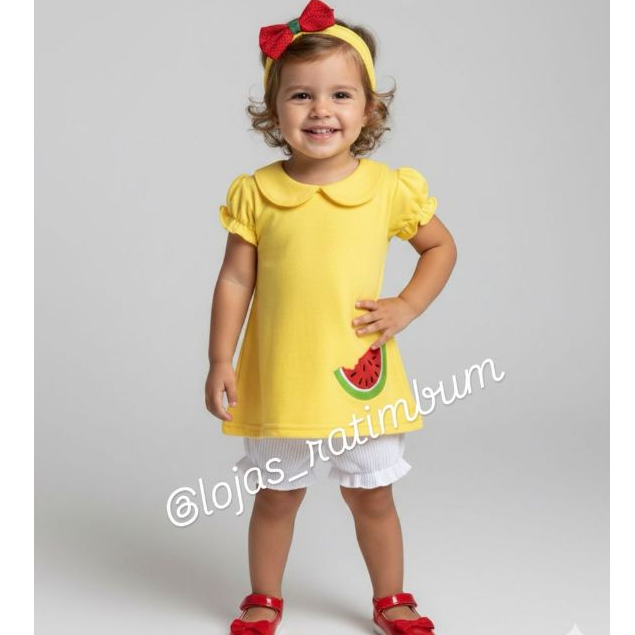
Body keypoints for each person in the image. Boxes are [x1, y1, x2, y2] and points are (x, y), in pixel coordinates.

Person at [204, 2, 457, 634]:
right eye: (301, 95)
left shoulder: (389, 189)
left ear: (369, 110)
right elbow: (235, 279)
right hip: (281, 376)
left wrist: (407, 305)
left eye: (341, 94)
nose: (321, 110)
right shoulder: (257, 192)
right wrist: (219, 359)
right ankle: (263, 598)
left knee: (372, 497)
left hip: (359, 379)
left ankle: (391, 598)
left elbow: (440, 248)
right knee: (276, 497)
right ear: (274, 109)